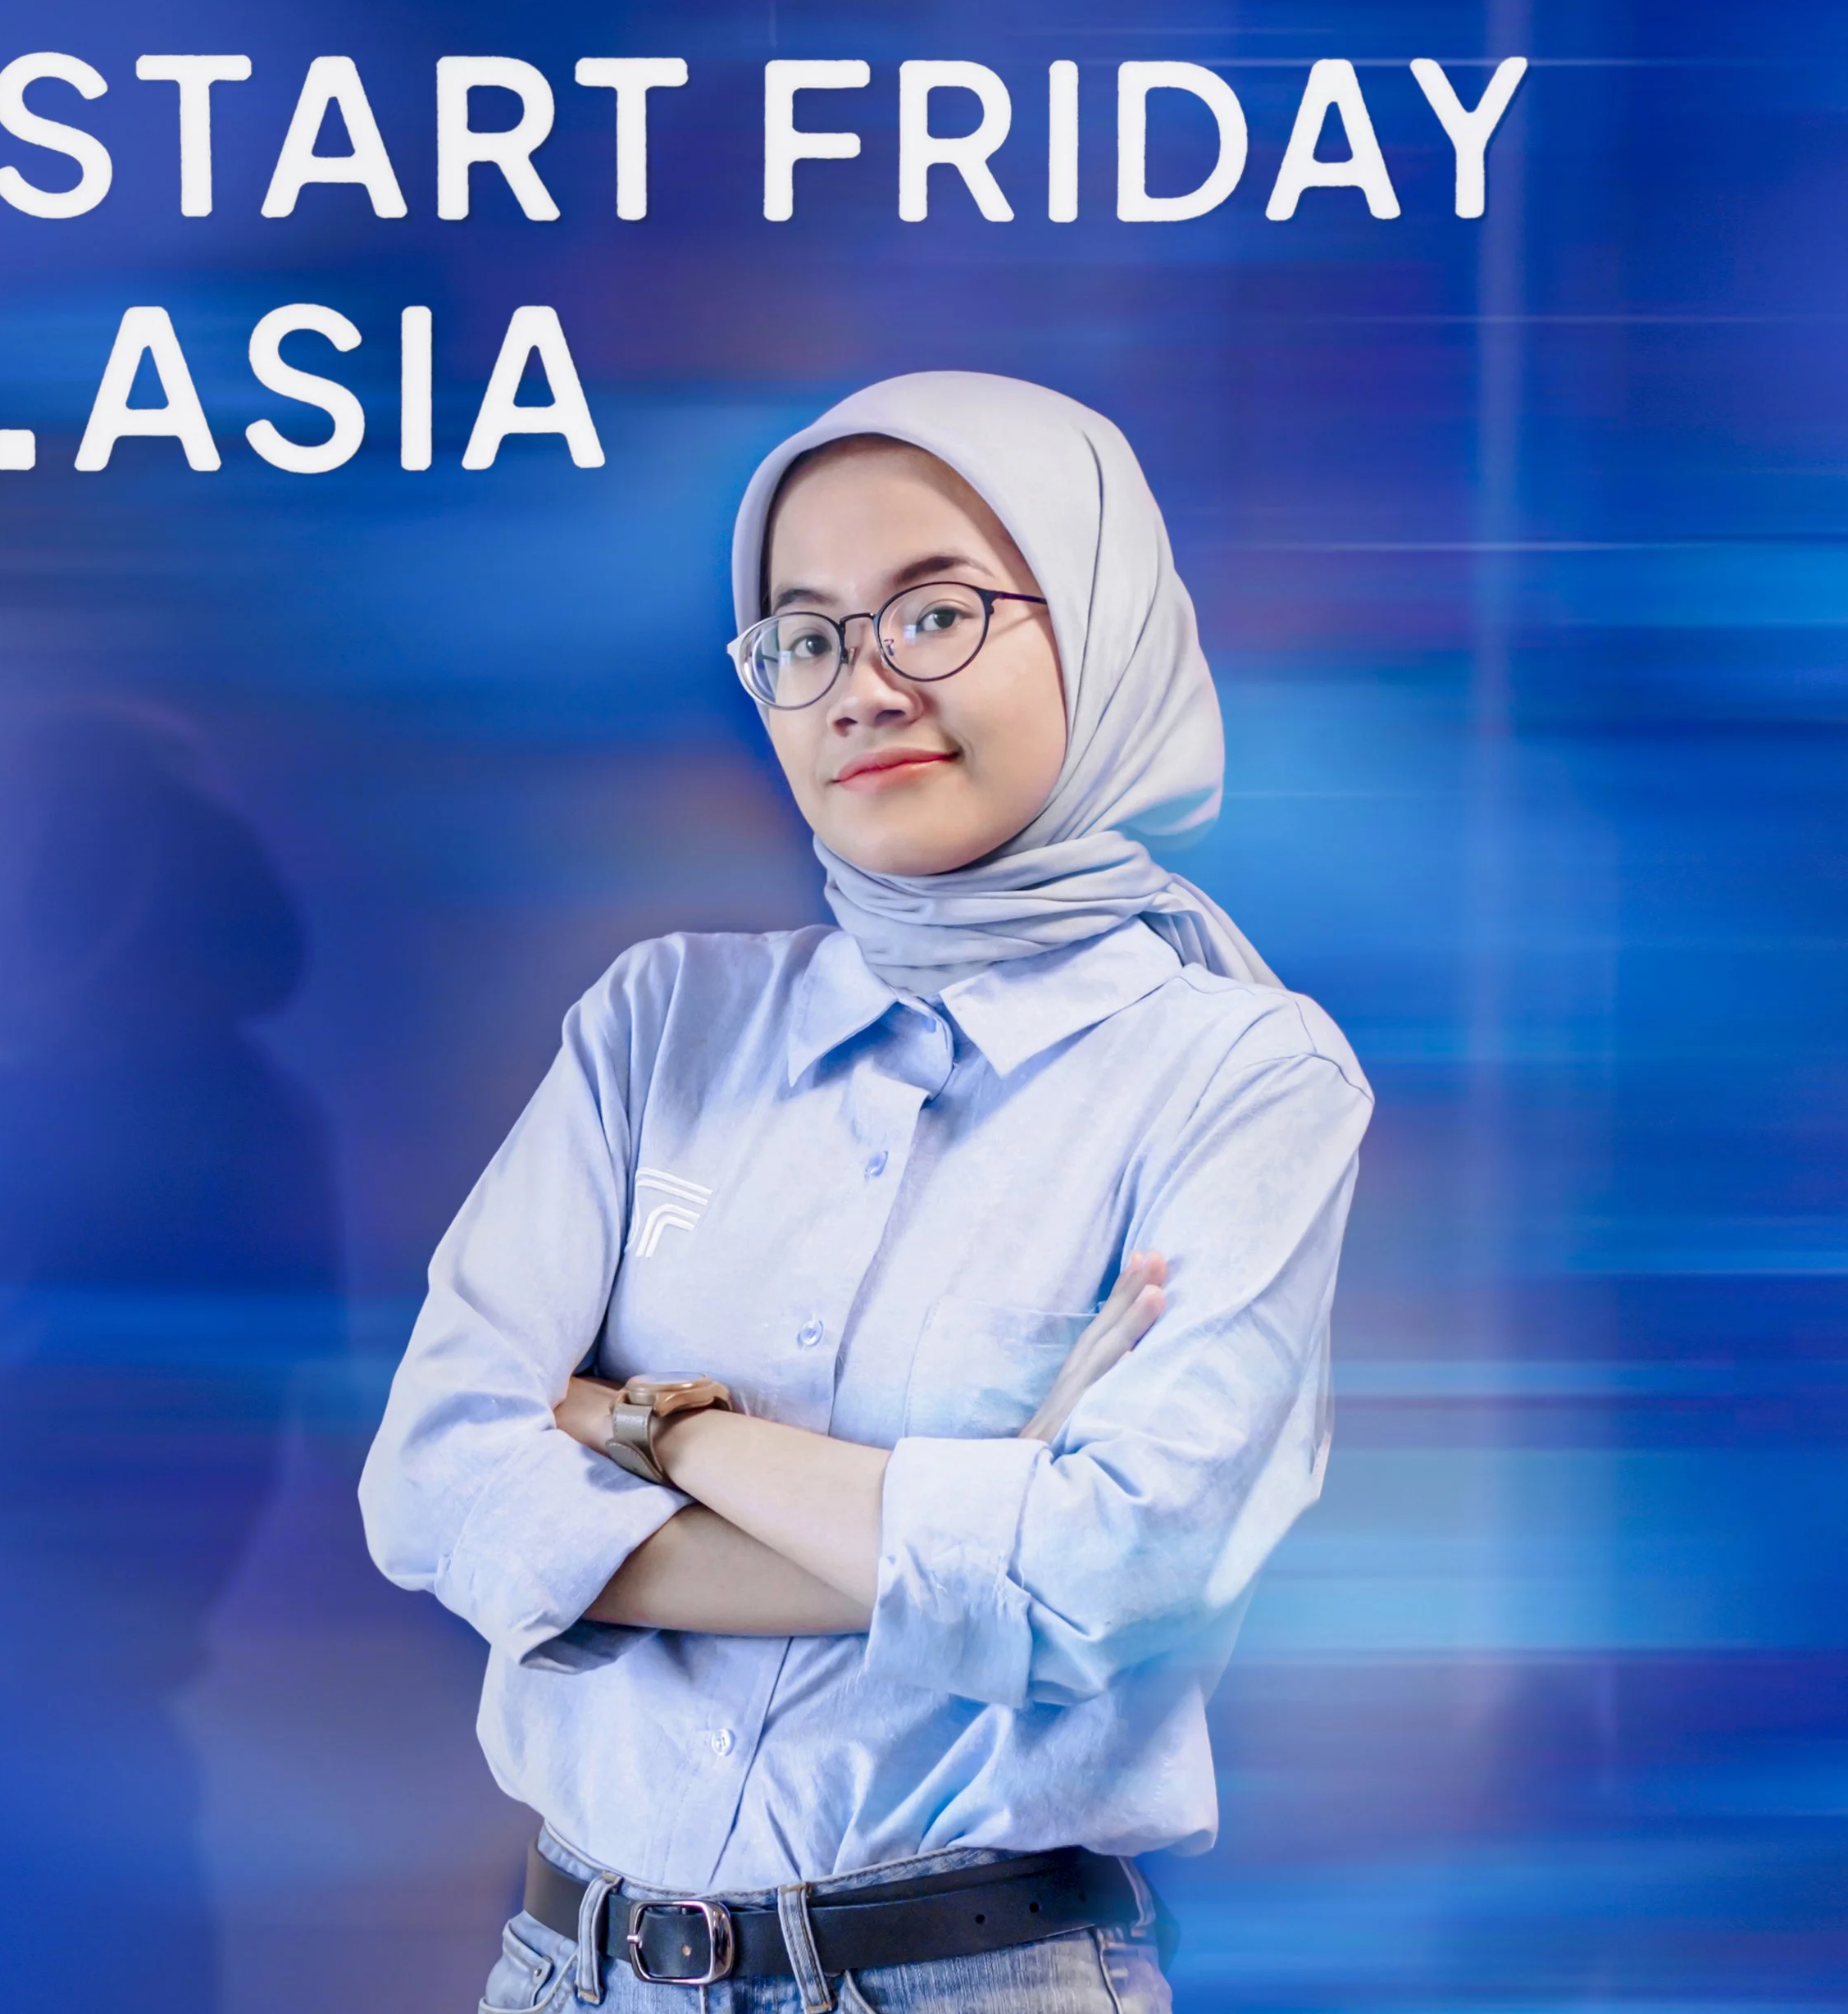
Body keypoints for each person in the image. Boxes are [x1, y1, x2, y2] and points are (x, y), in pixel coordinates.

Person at [359, 371, 1372, 2013]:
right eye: (805, 637)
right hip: (568, 1975)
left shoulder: (1239, 1073)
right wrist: (969, 1534)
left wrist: (654, 1430)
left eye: (936, 614)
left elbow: (1108, 1582)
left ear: (1100, 623)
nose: (861, 689)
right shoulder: (658, 1021)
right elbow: (430, 1484)